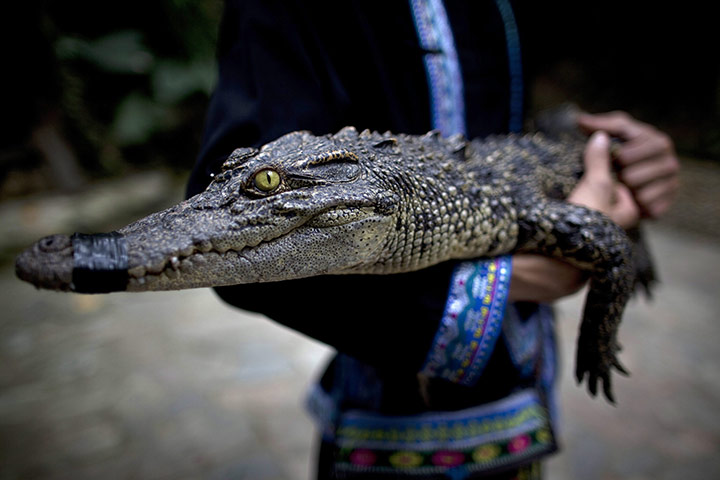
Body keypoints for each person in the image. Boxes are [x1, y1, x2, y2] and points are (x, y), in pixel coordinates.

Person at [186, 2, 679, 479]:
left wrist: (624, 155)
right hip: (384, 413)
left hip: (525, 379)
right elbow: (242, 248)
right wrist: (504, 280)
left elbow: (591, 216)